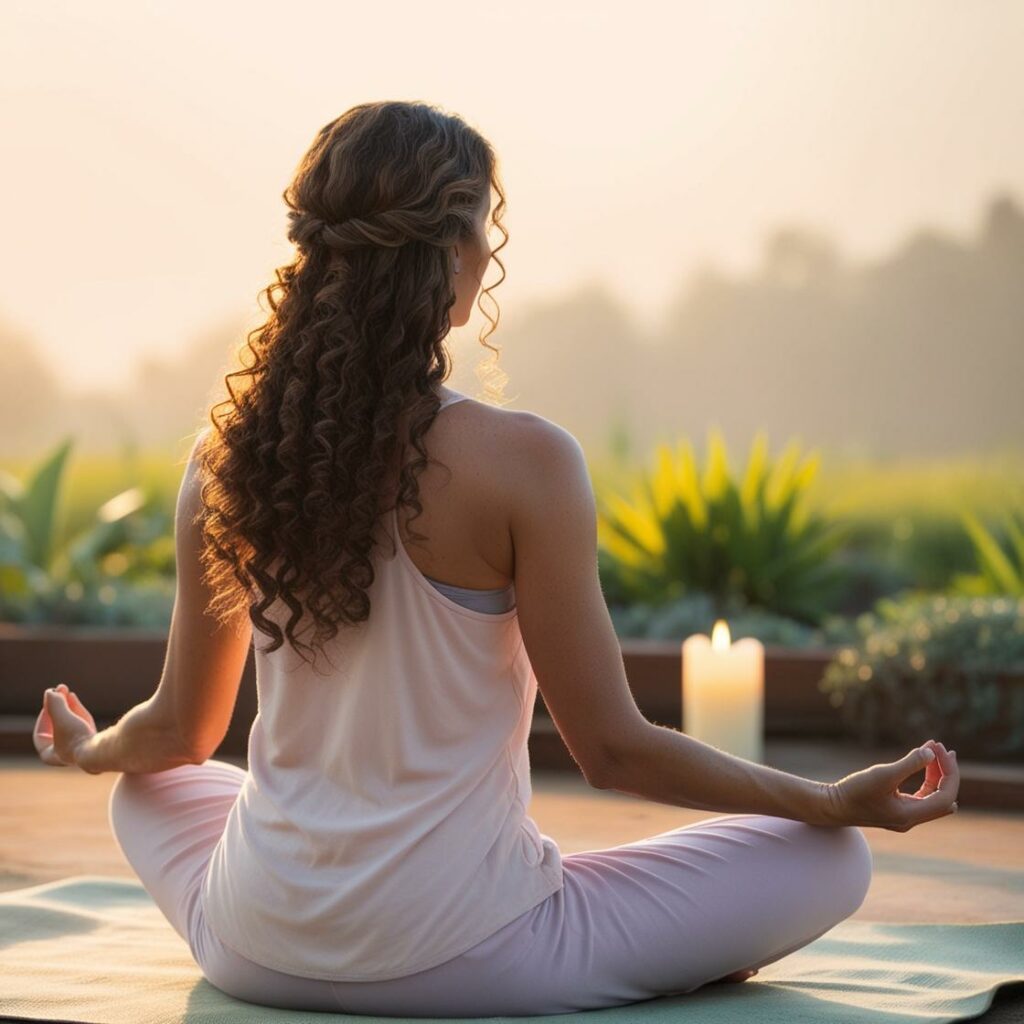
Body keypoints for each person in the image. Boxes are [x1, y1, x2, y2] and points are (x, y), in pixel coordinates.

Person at [33, 100, 960, 1018]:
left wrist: (92, 749)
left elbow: (180, 735)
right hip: (474, 959)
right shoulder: (528, 462)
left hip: (255, 946)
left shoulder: (226, 458)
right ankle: (650, 944)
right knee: (831, 856)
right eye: (483, 230)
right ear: (453, 255)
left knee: (145, 786)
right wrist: (832, 800)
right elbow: (613, 749)